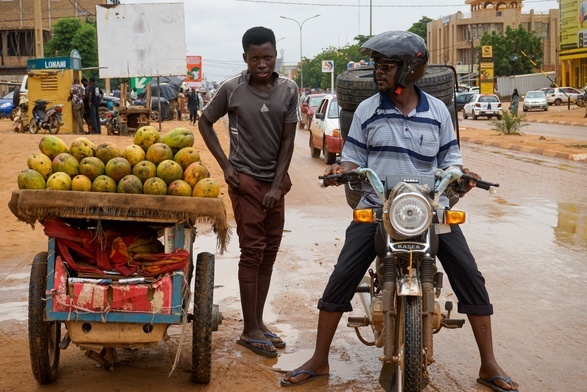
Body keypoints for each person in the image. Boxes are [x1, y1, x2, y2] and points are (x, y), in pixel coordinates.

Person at [281, 31, 519, 392]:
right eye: (377, 65)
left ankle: (489, 364)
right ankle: (318, 359)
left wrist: (461, 175)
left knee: (470, 274)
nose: (379, 72)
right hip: (378, 208)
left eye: (387, 66)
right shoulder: (366, 109)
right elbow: (354, 158)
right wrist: (341, 170)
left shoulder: (438, 111)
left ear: (410, 69)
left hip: (427, 209)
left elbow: (451, 159)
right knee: (342, 275)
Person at [198, 26, 299, 359]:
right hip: (245, 183)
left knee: (269, 253)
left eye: (268, 57)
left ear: (274, 56)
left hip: (275, 184)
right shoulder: (232, 89)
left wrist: (276, 185)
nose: (262, 64)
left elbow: (288, 141)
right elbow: (204, 122)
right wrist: (227, 167)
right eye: (255, 58)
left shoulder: (289, 89)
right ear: (245, 58)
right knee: (253, 252)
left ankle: (258, 323)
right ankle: (249, 330)